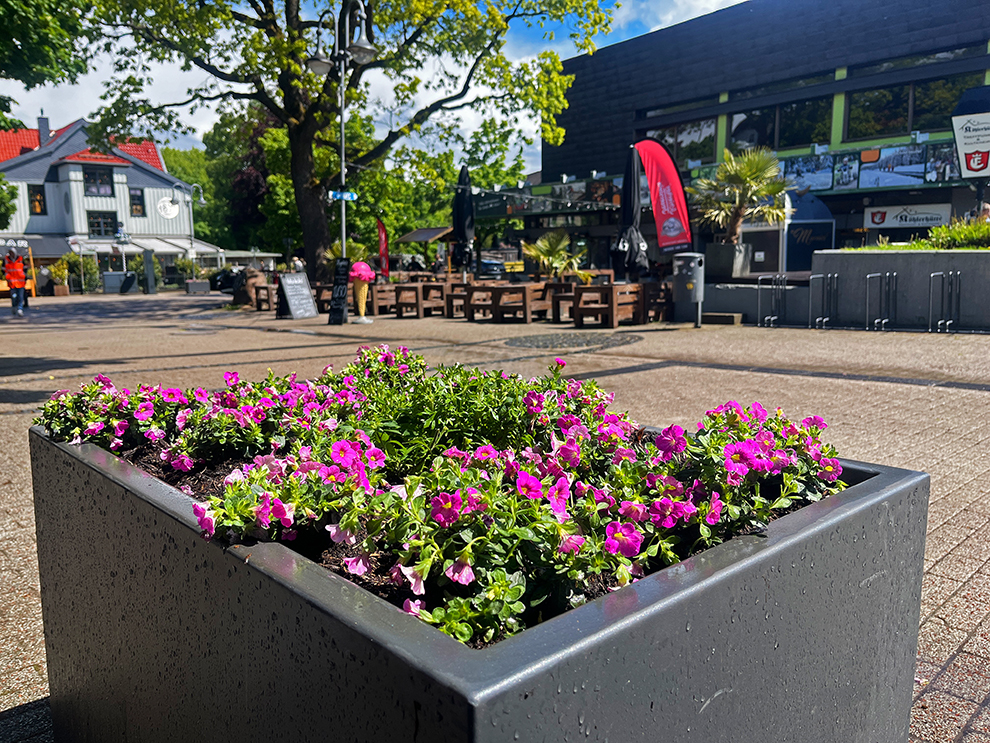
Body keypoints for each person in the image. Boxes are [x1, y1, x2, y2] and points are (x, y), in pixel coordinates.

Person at [3, 247, 26, 316]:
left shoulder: (20, 260)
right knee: (14, 297)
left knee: (21, 297)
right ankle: (14, 307)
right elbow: (4, 270)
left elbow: (24, 269)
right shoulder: (6, 260)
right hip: (12, 283)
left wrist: (24, 276)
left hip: (20, 282)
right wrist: (7, 277)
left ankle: (20, 309)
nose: (11, 254)